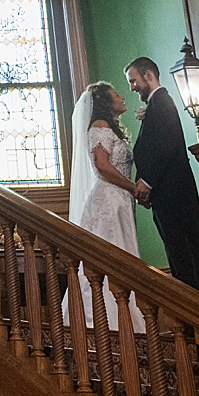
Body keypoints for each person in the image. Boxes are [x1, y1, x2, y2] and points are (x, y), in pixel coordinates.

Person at [64, 81, 147, 331]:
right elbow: (102, 165)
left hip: (119, 200)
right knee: (109, 256)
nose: (122, 97)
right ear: (105, 102)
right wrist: (131, 187)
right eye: (116, 94)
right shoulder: (99, 126)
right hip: (108, 201)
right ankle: (104, 322)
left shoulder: (110, 128)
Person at [126, 56, 199, 295]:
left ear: (148, 75)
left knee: (186, 266)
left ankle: (197, 317)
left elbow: (168, 145)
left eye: (133, 80)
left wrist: (147, 182)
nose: (132, 87)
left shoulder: (162, 102)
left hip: (175, 201)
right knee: (180, 262)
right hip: (168, 199)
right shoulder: (155, 105)